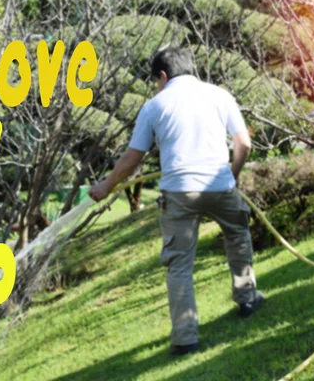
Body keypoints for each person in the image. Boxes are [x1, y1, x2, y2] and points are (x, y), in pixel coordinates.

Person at [88, 47, 264, 355]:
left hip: (178, 192)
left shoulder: (154, 106)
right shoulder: (220, 96)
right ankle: (248, 299)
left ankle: (185, 339)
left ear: (163, 76)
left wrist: (106, 185)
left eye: (155, 80)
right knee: (237, 236)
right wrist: (232, 174)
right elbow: (244, 143)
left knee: (179, 264)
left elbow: (132, 158)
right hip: (219, 183)